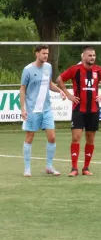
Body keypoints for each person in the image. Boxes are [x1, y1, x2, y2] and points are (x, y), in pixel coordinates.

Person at [56, 46, 101, 177]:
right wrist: (69, 95)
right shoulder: (75, 69)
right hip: (78, 110)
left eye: (94, 55)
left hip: (93, 109)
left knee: (90, 139)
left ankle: (86, 168)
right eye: (90, 55)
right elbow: (59, 80)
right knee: (76, 137)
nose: (92, 57)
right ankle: (74, 168)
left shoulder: (98, 70)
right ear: (83, 57)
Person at [20, 44, 66, 177]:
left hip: (46, 109)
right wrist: (23, 109)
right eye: (43, 53)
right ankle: (27, 168)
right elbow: (22, 89)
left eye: (47, 53)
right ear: (37, 53)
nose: (46, 55)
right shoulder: (27, 70)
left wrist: (60, 91)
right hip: (32, 110)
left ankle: (49, 166)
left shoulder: (48, 67)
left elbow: (50, 83)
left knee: (52, 137)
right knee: (30, 137)